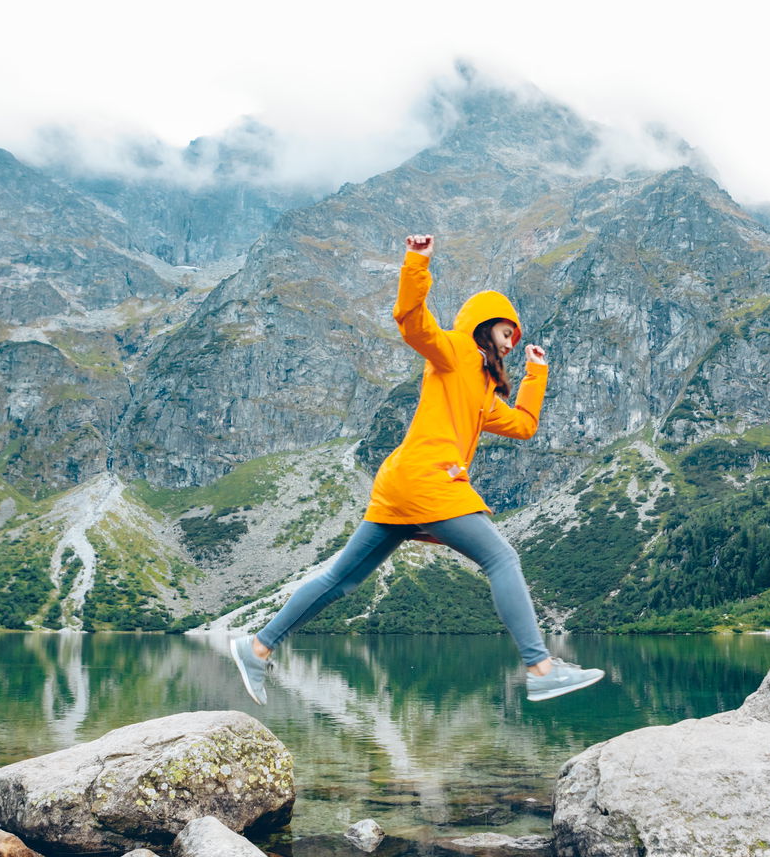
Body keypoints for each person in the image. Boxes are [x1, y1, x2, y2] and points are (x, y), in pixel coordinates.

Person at [230, 234, 604, 704]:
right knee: (502, 559)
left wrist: (536, 374)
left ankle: (258, 646)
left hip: (402, 488)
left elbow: (525, 426)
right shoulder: (453, 354)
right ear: (485, 327)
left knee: (340, 580)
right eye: (509, 334)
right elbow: (410, 322)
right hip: (428, 480)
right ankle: (541, 667)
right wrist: (417, 262)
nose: (512, 345)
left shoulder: (484, 391)